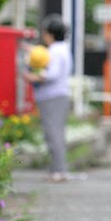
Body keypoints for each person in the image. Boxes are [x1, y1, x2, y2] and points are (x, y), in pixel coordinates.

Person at [24, 14, 72, 182]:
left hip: (53, 96)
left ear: (49, 33)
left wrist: (31, 77)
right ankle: (58, 169)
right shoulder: (61, 49)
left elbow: (51, 74)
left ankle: (59, 171)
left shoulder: (56, 51)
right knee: (56, 133)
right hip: (58, 96)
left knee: (53, 133)